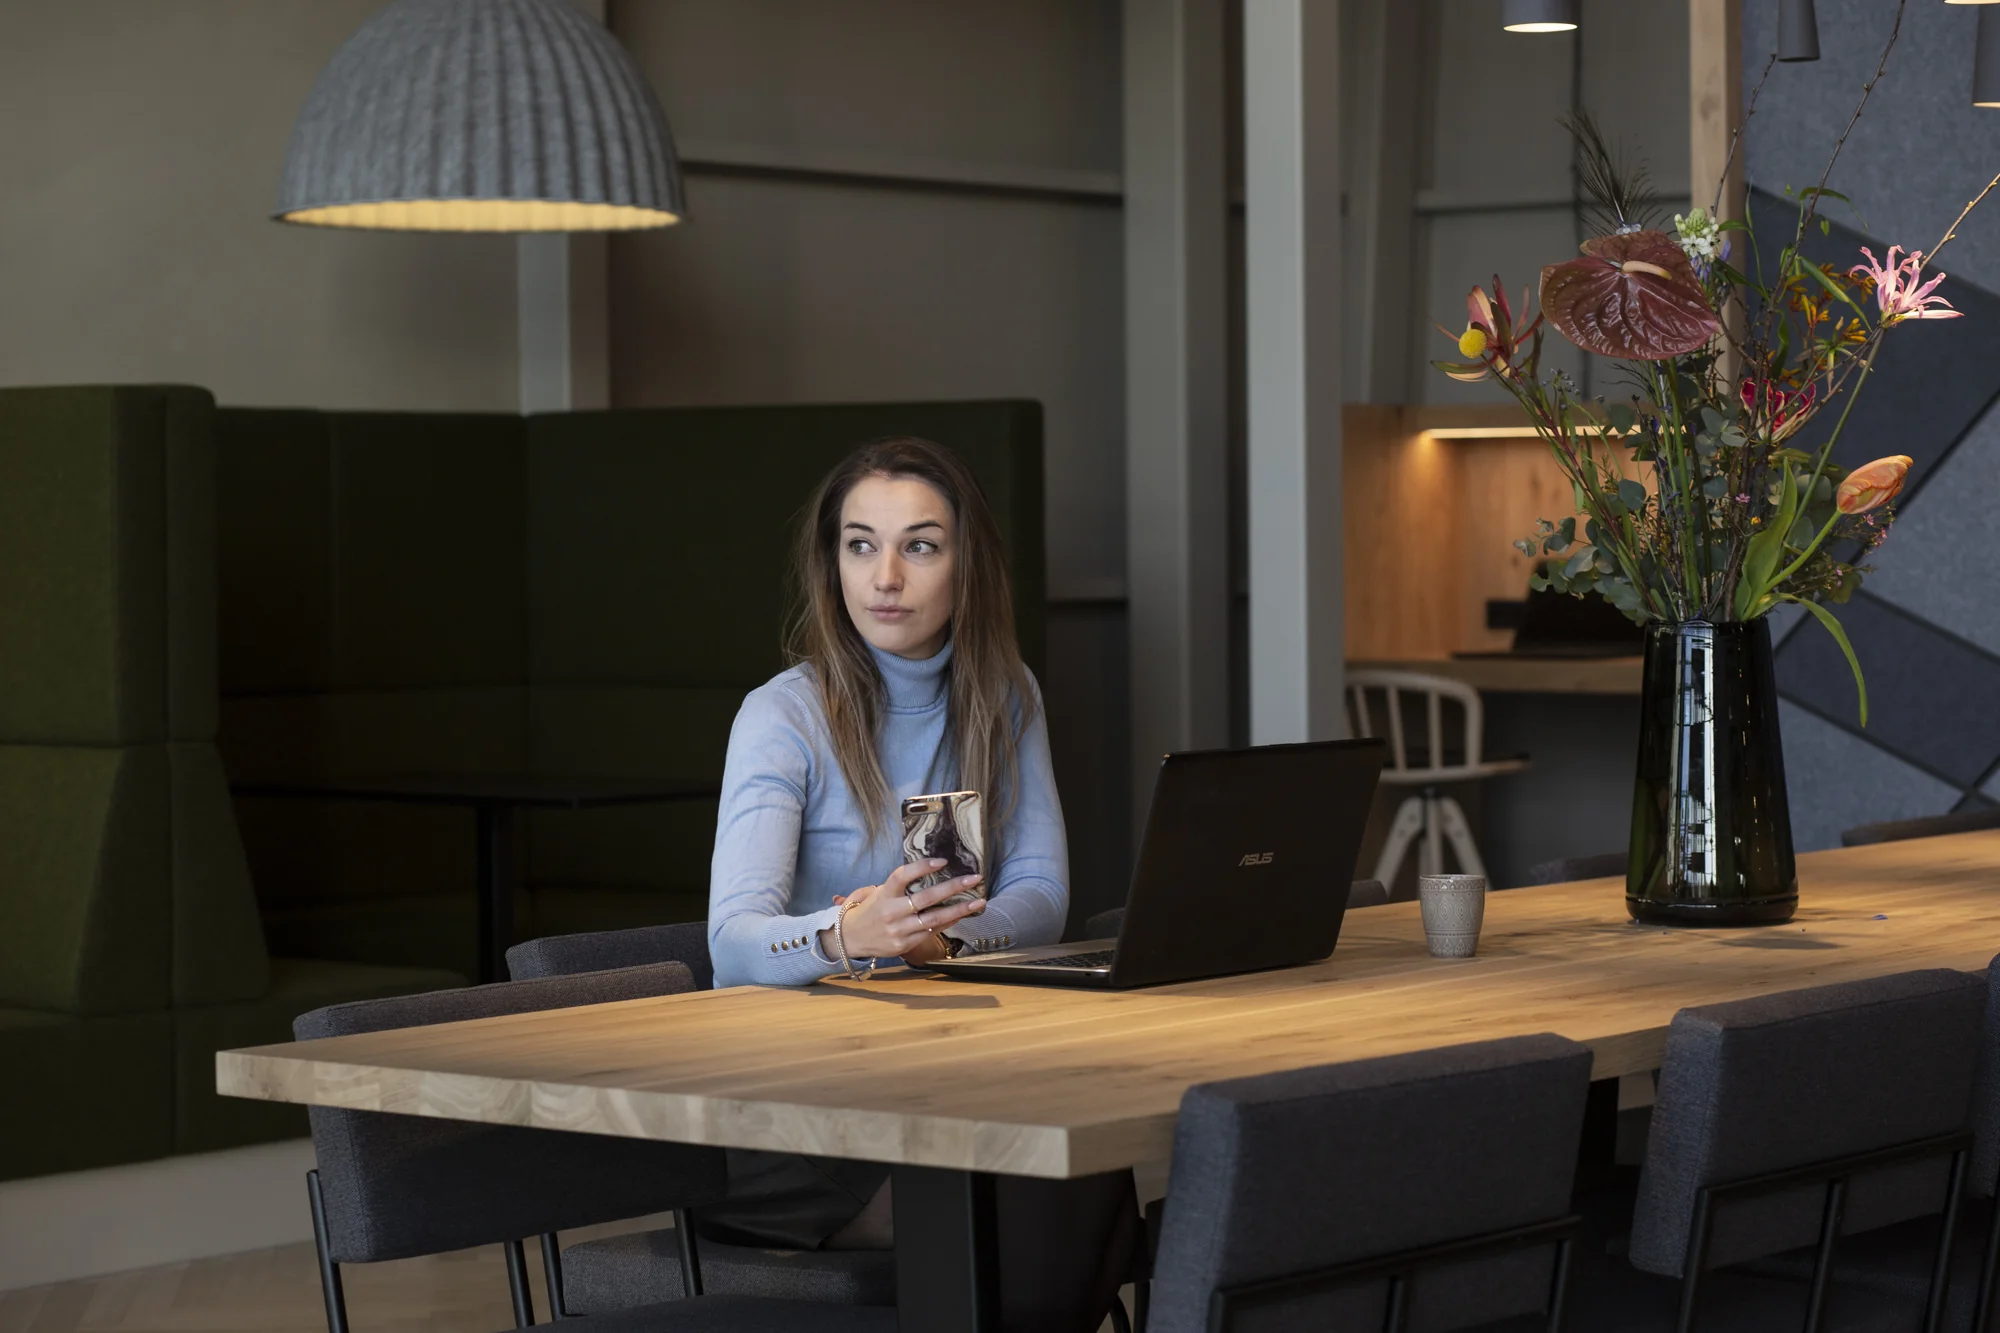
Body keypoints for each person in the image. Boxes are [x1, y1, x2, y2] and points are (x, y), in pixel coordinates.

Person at [701, 436, 1069, 1250]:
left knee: (1081, 1169)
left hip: (942, 1068)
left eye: (921, 547)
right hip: (801, 1107)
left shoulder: (1007, 693)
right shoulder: (782, 716)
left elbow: (1043, 893)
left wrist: (939, 940)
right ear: (833, 563)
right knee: (1014, 1185)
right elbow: (729, 944)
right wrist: (848, 937)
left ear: (967, 564)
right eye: (860, 545)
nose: (885, 578)